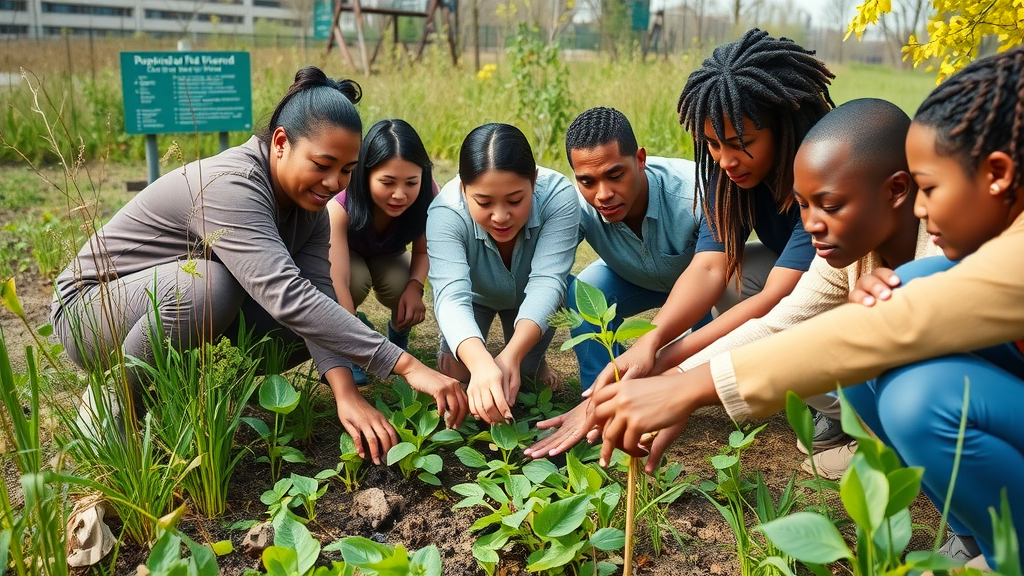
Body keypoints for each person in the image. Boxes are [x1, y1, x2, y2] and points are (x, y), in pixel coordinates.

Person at [591, 46, 1024, 569]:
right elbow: (784, 321)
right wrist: (668, 373)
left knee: (918, 396)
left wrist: (685, 388)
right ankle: (973, 530)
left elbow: (893, 325)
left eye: (930, 188)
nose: (923, 207)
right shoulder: (856, 252)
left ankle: (1010, 552)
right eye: (802, 205)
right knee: (874, 362)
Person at [51, 66, 468, 466]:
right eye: (322, 166)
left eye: (346, 171)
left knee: (317, 318)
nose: (333, 183)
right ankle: (114, 401)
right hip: (92, 312)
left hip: (162, 314)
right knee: (210, 288)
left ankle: (195, 395)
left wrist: (346, 393)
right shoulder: (232, 184)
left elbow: (318, 294)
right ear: (281, 142)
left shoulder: (312, 210)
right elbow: (286, 294)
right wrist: (407, 365)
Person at [528, 28, 834, 457]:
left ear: (782, 128)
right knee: (730, 279)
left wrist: (668, 366)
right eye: (712, 144)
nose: (725, 160)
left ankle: (841, 416)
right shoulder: (727, 175)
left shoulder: (818, 176)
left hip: (845, 279)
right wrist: (651, 342)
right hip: (797, 270)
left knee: (778, 308)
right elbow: (710, 266)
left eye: (741, 144)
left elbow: (780, 297)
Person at [427, 123, 581, 425]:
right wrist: (482, 364)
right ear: (462, 189)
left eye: (514, 201)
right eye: (483, 202)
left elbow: (548, 282)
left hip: (529, 297)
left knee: (522, 376)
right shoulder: (445, 212)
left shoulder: (559, 197)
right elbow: (451, 296)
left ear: (534, 181)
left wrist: (511, 356)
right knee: (458, 377)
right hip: (475, 296)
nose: (500, 216)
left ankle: (535, 364)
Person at [326, 119, 434, 388]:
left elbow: (422, 252)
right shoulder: (340, 205)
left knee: (401, 284)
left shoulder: (429, 196)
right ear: (365, 174)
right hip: (348, 257)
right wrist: (353, 344)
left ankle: (397, 338)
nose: (400, 194)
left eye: (411, 182)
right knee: (354, 282)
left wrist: (414, 287)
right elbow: (337, 277)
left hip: (390, 255)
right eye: (387, 182)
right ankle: (354, 336)